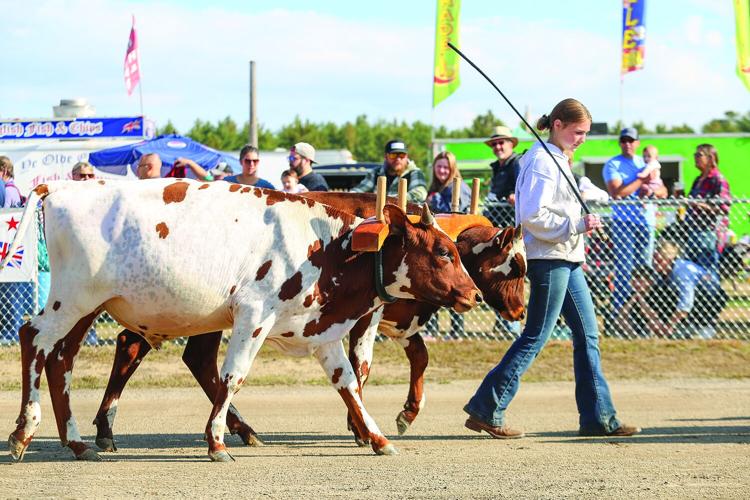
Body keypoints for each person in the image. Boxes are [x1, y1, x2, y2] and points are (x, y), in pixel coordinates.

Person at [463, 98, 640, 439]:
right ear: (558, 125)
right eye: (578, 132)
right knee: (536, 335)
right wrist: (577, 223)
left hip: (567, 258)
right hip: (549, 258)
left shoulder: (556, 157)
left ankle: (598, 418)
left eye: (585, 133)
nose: (582, 138)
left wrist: (589, 204)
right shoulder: (543, 161)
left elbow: (562, 199)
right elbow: (533, 215)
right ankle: (487, 407)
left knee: (587, 336)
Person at [602, 127, 666, 311]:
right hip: (624, 223)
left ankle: (642, 313)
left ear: (637, 143)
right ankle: (620, 312)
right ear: (620, 143)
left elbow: (663, 190)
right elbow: (617, 193)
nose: (627, 144)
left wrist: (652, 189)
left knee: (644, 269)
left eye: (631, 140)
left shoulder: (646, 161)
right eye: (624, 140)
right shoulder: (613, 164)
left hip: (646, 222)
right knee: (624, 268)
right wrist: (641, 180)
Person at [641, 240, 727, 339]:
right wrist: (654, 320)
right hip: (691, 297)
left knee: (691, 295)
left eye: (659, 261)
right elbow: (648, 295)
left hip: (711, 298)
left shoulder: (681, 272)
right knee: (658, 293)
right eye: (654, 260)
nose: (655, 263)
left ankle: (704, 327)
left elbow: (686, 303)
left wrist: (668, 326)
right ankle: (680, 327)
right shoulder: (660, 272)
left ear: (669, 260)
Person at [683, 144, 731, 274]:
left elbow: (724, 208)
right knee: (691, 269)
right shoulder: (698, 179)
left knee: (707, 272)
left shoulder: (717, 179)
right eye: (695, 155)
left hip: (709, 232)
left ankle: (710, 294)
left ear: (711, 158)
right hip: (692, 230)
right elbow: (690, 203)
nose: (695, 158)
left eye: (699, 155)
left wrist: (698, 204)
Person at [350, 139, 428, 203]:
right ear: (385, 156)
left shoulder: (414, 172)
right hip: (379, 216)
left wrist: (391, 200)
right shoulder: (376, 173)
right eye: (393, 155)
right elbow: (358, 191)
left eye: (402, 155)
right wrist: (347, 197)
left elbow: (420, 193)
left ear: (407, 157)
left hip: (406, 217)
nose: (398, 159)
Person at [483, 126, 522, 228]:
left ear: (511, 144)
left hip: (511, 224)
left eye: (501, 143)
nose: (497, 147)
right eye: (494, 144)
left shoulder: (517, 163)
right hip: (496, 221)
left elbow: (524, 189)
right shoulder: (496, 166)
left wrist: (515, 195)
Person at [612, 265, 657, 338]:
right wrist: (633, 299)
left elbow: (652, 315)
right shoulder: (632, 294)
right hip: (633, 324)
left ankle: (647, 336)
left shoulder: (653, 295)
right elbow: (622, 313)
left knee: (654, 322)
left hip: (647, 324)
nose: (637, 284)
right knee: (619, 320)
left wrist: (641, 300)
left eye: (641, 281)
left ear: (649, 282)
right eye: (634, 281)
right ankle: (634, 337)